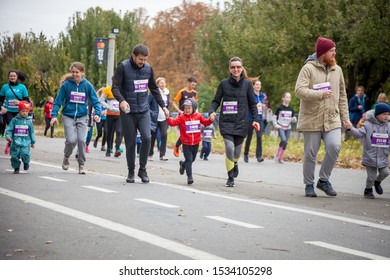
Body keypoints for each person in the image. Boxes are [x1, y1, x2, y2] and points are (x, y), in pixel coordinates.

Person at [295, 37, 351, 197]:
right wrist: (320, 94)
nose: (334, 53)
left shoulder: (337, 70)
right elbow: (299, 90)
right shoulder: (308, 68)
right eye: (332, 51)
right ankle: (309, 184)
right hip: (312, 118)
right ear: (323, 52)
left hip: (332, 118)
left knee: (334, 146)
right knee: (310, 153)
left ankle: (323, 180)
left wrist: (345, 117)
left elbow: (342, 95)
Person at [112, 44, 169, 183]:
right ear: (134, 56)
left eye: (145, 59)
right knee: (130, 142)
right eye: (140, 59)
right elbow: (115, 87)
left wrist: (163, 106)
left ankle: (142, 169)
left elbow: (154, 89)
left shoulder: (148, 69)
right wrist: (121, 101)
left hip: (143, 110)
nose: (143, 62)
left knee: (147, 138)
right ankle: (131, 171)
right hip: (128, 111)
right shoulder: (123, 67)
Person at [209, 57, 260, 187]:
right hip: (226, 122)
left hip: (242, 123)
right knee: (230, 148)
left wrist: (255, 120)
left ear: (242, 68)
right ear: (229, 69)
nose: (236, 69)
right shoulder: (223, 84)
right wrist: (212, 111)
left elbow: (253, 104)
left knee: (237, 152)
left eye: (238, 67)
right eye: (233, 67)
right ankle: (230, 177)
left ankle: (235, 163)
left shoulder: (248, 85)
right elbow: (216, 101)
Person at [50, 62, 101, 174]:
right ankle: (66, 156)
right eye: (72, 72)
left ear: (82, 72)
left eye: (77, 72)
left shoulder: (87, 85)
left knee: (82, 140)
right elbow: (58, 101)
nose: (74, 74)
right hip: (68, 116)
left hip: (82, 116)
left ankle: (81, 165)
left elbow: (96, 101)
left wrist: (98, 113)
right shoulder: (66, 85)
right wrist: (54, 116)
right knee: (71, 140)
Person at [345, 103, 390, 199]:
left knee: (385, 173)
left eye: (388, 114)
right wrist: (350, 128)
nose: (386, 116)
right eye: (384, 114)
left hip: (383, 155)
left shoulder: (388, 126)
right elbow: (358, 134)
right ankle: (368, 189)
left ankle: (377, 182)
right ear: (377, 115)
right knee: (371, 176)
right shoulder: (368, 124)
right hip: (370, 155)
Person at [166, 98, 215, 184]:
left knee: (192, 160)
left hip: (196, 142)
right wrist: (168, 117)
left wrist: (211, 119)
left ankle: (183, 164)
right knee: (189, 159)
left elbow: (206, 123)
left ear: (193, 108)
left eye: (189, 108)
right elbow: (172, 123)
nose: (187, 110)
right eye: (185, 108)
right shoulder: (181, 117)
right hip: (186, 143)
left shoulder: (198, 116)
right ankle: (190, 177)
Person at [5, 101, 35, 173]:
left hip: (26, 142)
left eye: (26, 111)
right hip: (15, 142)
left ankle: (26, 162)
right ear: (19, 111)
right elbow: (9, 129)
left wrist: (33, 142)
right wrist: (8, 137)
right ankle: (16, 168)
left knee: (25, 154)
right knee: (15, 156)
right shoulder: (15, 120)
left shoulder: (29, 122)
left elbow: (32, 132)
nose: (25, 113)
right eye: (23, 111)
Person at [171, 76, 198, 157]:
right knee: (184, 133)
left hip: (192, 117)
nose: (194, 87)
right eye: (193, 85)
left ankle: (186, 147)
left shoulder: (195, 93)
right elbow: (174, 103)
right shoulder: (182, 92)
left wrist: (196, 113)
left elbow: (196, 105)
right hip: (183, 116)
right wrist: (179, 111)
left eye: (195, 85)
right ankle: (177, 146)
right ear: (188, 83)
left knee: (190, 132)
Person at [243, 79, 268, 163]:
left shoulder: (262, 95)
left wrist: (263, 106)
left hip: (259, 119)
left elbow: (263, 104)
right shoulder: (250, 95)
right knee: (249, 137)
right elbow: (248, 106)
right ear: (253, 86)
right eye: (257, 84)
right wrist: (256, 105)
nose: (258, 86)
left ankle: (259, 156)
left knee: (259, 136)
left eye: (260, 85)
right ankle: (246, 154)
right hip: (251, 118)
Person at [272, 92, 297, 163]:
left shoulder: (291, 108)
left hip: (288, 127)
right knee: (283, 140)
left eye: (289, 97)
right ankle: (277, 155)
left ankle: (280, 158)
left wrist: (294, 119)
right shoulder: (279, 108)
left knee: (285, 142)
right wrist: (275, 124)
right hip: (281, 127)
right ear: (283, 98)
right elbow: (274, 117)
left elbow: (293, 118)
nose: (288, 99)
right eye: (287, 97)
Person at [149, 77, 170, 161]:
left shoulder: (167, 93)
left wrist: (169, 113)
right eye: (161, 83)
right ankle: (150, 154)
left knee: (164, 135)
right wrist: (151, 113)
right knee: (153, 136)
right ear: (157, 85)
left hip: (164, 118)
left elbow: (167, 105)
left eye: (164, 83)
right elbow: (147, 103)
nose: (163, 84)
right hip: (155, 118)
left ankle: (162, 155)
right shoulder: (153, 93)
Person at [100, 84, 122, 157]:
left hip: (119, 115)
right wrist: (108, 107)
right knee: (110, 132)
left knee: (119, 131)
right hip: (110, 115)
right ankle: (109, 148)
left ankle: (117, 149)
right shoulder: (107, 89)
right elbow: (101, 100)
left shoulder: (122, 88)